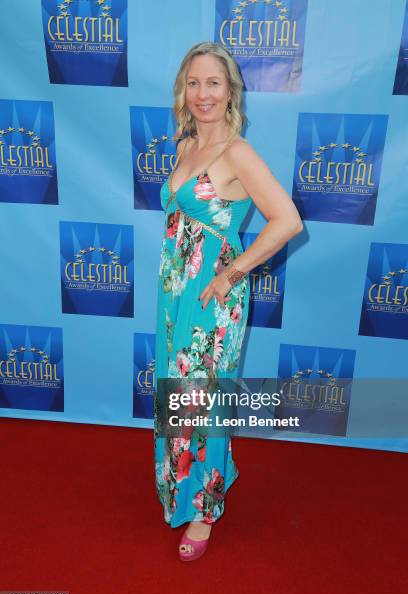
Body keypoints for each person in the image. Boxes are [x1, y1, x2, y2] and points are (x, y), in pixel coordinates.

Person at [153, 41, 303, 561]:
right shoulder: (184, 146)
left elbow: (287, 221)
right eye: (193, 83)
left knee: (206, 400)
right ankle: (182, 481)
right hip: (174, 293)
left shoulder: (237, 152)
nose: (202, 94)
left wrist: (233, 273)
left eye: (213, 83)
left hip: (214, 300)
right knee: (179, 393)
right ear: (183, 90)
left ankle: (205, 507)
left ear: (230, 90)